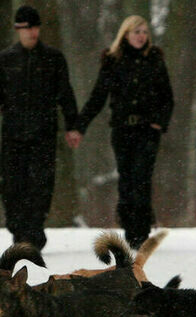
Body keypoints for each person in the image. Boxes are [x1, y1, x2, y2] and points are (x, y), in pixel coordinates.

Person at [0, 5, 78, 251]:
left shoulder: (54, 59)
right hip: (13, 134)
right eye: (26, 28)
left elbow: (66, 94)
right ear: (17, 30)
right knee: (11, 186)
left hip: (43, 133)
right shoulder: (5, 60)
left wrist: (73, 126)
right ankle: (19, 229)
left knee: (41, 186)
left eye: (35, 27)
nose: (32, 32)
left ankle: (32, 233)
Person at [69, 15, 173, 249]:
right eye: (136, 31)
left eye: (144, 32)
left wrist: (159, 122)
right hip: (122, 130)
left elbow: (167, 97)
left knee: (142, 178)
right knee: (127, 181)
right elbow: (97, 97)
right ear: (125, 34)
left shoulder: (155, 59)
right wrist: (79, 126)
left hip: (148, 130)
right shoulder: (112, 60)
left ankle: (141, 234)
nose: (141, 36)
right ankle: (130, 228)